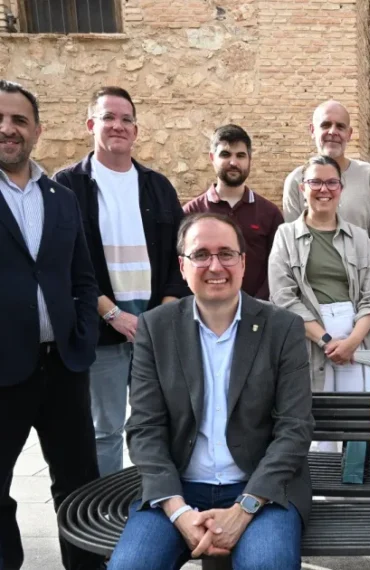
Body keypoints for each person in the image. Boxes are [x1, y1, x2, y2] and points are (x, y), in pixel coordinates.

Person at [108, 213, 313, 570]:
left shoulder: (283, 328)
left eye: (226, 254)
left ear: (244, 262)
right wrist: (178, 511)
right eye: (201, 254)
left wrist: (245, 507)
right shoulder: (156, 329)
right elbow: (144, 429)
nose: (215, 265)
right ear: (182, 266)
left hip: (262, 491)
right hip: (178, 487)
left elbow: (294, 429)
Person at [53, 86, 188, 477]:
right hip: (102, 333)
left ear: (136, 130)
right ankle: (106, 509)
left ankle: (159, 500)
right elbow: (64, 264)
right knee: (105, 430)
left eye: (126, 119)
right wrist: (113, 314)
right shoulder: (67, 187)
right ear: (91, 124)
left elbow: (179, 257)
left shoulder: (157, 186)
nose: (118, 125)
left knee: (159, 425)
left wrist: (160, 316)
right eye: (108, 117)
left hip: (155, 330)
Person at [0, 80, 105, 570]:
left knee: (79, 482)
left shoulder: (60, 198)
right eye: (1, 119)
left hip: (63, 364)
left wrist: (81, 329)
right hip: (3, 371)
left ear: (36, 130)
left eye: (19, 120)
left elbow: (83, 277)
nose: (8, 128)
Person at [269, 155, 370, 453]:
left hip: (357, 338)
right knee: (317, 427)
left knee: (367, 425)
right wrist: (326, 340)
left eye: (331, 182)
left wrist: (351, 342)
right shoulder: (286, 237)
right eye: (315, 182)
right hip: (310, 339)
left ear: (341, 188)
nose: (323, 189)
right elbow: (283, 297)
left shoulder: (359, 238)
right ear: (302, 188)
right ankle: (318, 494)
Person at [282, 100, 370, 273]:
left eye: (340, 126)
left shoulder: (369, 175)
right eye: (325, 125)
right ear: (312, 130)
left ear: (349, 134)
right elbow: (292, 244)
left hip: (362, 290)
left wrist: (368, 287)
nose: (333, 132)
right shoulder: (296, 180)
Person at [183, 124, 284, 300]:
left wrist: (257, 305)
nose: (233, 162)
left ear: (249, 160)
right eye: (225, 154)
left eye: (240, 156)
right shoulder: (191, 213)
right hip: (205, 311)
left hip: (259, 312)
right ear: (212, 158)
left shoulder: (270, 213)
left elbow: (278, 267)